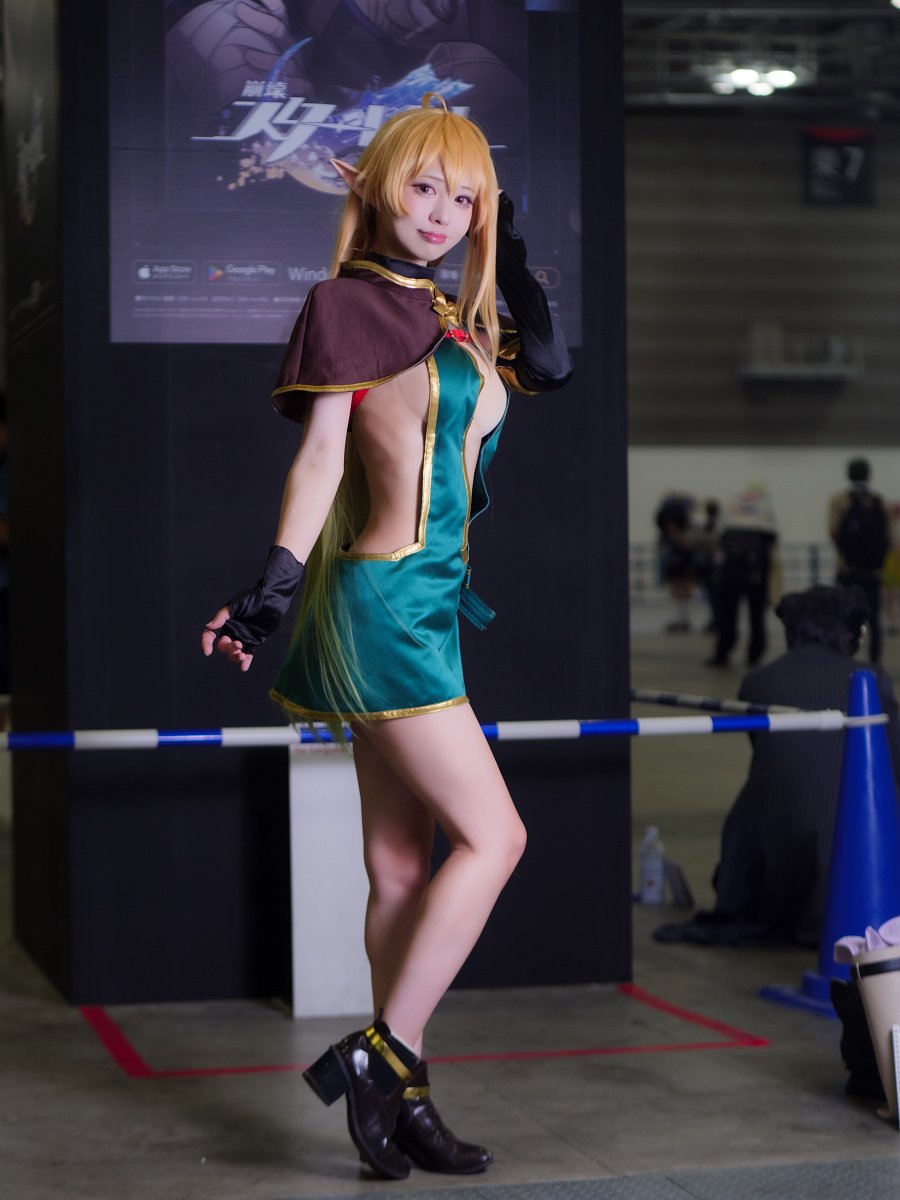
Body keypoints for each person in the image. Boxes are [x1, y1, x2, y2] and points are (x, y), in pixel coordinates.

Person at [201, 96, 571, 1180]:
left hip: (422, 608)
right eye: (424, 186)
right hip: (387, 608)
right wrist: (270, 587)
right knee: (496, 840)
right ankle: (385, 1056)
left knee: (401, 867)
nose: (443, 212)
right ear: (370, 187)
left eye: (466, 197)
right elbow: (321, 458)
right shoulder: (349, 305)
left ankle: (403, 1101)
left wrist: (513, 250)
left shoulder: (451, 316)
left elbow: (547, 365)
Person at [657, 585, 900, 948]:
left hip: (775, 871)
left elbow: (777, 762)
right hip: (860, 875)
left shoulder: (759, 682)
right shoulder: (871, 680)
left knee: (763, 794)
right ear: (847, 634)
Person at [706, 484, 777, 668]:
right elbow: (772, 539)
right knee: (756, 615)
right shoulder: (763, 506)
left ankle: (723, 651)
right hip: (756, 572)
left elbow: (718, 537)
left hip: (730, 572)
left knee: (727, 614)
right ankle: (755, 653)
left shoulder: (732, 506)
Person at [829, 457, 889, 664]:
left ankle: (845, 657)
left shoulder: (840, 501)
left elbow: (833, 531)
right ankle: (875, 661)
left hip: (848, 570)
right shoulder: (879, 502)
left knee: (845, 615)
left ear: (848, 475)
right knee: (874, 619)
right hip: (873, 572)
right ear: (869, 476)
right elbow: (889, 537)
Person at [655, 491, 694, 631]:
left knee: (681, 587)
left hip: (679, 555)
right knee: (678, 587)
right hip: (677, 554)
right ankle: (680, 618)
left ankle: (682, 618)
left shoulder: (674, 521)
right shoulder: (677, 518)